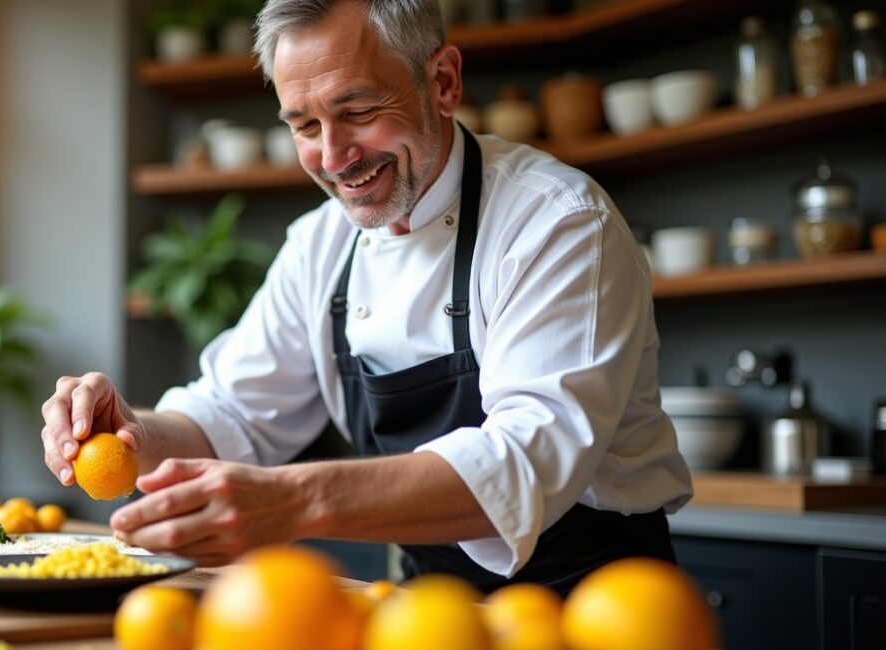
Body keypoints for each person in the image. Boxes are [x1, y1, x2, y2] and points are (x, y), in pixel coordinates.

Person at [40, 0, 692, 594]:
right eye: (303, 125)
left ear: (442, 82)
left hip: (598, 601)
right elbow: (232, 416)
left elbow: (525, 459)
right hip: (430, 606)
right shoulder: (320, 245)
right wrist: (130, 431)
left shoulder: (555, 222)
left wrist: (293, 502)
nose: (333, 157)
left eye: (357, 112)